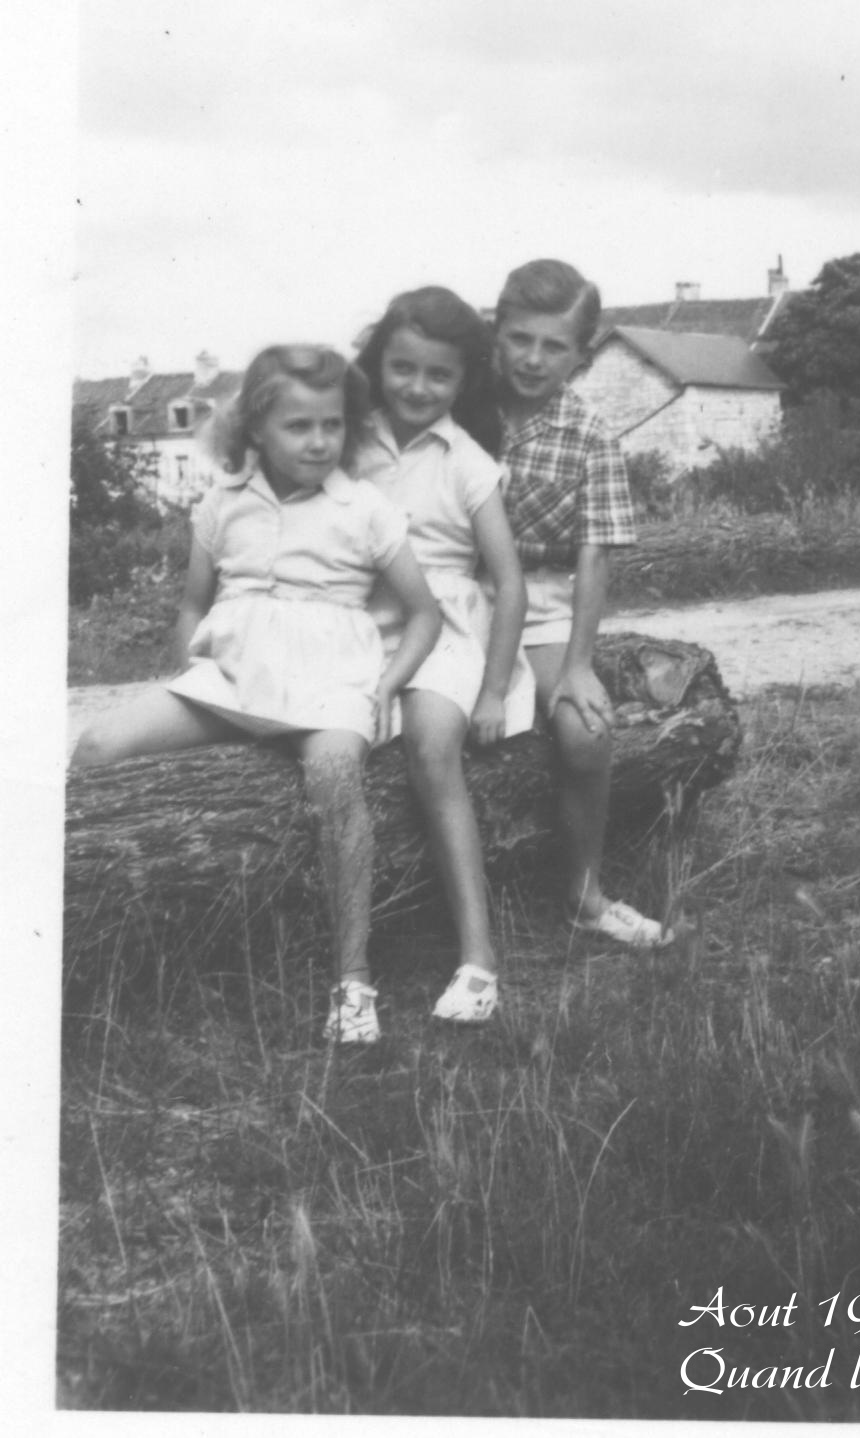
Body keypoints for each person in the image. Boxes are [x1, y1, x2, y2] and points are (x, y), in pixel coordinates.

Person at [70, 345, 441, 1045]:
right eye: (299, 426)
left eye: (332, 424)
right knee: (95, 744)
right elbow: (193, 604)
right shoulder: (224, 503)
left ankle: (353, 980)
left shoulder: (364, 507)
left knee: (335, 778)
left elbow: (424, 613)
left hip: (331, 681)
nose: (319, 441)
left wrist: (388, 684)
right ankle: (85, 944)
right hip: (231, 676)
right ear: (256, 431)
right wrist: (187, 674)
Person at [354, 287, 535, 1024]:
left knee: (432, 744)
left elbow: (510, 581)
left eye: (439, 375)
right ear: (378, 364)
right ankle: (348, 959)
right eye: (403, 368)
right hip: (360, 621)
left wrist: (492, 690)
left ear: (464, 382)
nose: (418, 387)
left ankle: (477, 959)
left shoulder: (468, 461)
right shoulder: (350, 442)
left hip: (449, 626)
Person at [491, 258, 672, 948]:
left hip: (541, 601)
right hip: (456, 591)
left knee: (585, 732)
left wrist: (576, 665)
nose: (532, 359)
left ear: (582, 355)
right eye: (520, 338)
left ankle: (585, 896)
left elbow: (595, 556)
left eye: (554, 346)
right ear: (497, 331)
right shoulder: (466, 407)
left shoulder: (590, 435)